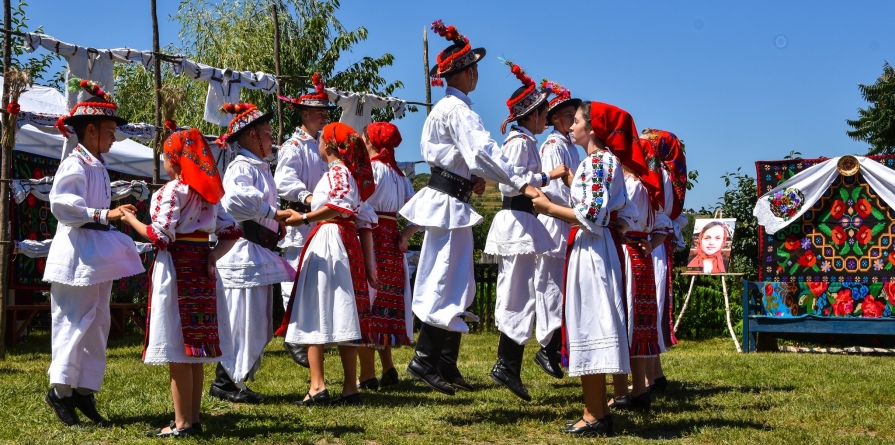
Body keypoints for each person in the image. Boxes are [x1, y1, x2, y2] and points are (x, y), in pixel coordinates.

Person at [398, 20, 542, 396]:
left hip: (449, 197)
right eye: (472, 69)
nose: (476, 74)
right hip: (448, 203)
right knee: (447, 275)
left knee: (448, 276)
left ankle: (434, 359)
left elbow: (458, 158)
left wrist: (473, 177)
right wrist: (516, 179)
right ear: (463, 73)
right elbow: (480, 150)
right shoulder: (459, 111)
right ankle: (426, 358)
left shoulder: (446, 109)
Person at [122, 129, 242, 438]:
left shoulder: (171, 192)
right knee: (195, 349)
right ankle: (194, 418)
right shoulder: (208, 193)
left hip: (177, 268)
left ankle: (182, 423)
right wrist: (213, 255)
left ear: (173, 160)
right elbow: (232, 231)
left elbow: (159, 236)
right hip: (201, 266)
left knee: (178, 349)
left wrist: (130, 220)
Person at [43, 78, 145, 426]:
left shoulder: (96, 164)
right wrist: (105, 213)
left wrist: (116, 205)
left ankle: (84, 390)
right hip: (76, 255)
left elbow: (91, 203)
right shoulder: (74, 163)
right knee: (74, 321)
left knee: (98, 321)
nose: (114, 137)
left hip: (94, 255)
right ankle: (61, 391)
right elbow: (62, 205)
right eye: (110, 131)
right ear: (90, 130)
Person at [532, 100, 637, 437]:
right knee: (587, 323)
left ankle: (596, 413)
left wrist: (548, 207)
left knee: (591, 322)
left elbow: (592, 216)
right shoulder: (600, 162)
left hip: (592, 249)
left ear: (593, 128)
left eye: (576, 121)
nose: (571, 126)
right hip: (592, 247)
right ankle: (594, 410)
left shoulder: (598, 162)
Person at [277, 122, 379, 406]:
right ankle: (348, 387)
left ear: (330, 146)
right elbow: (365, 220)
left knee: (314, 307)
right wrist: (369, 265)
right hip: (343, 242)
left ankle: (318, 385)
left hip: (331, 241)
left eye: (321, 140)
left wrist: (305, 218)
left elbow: (341, 207)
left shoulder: (338, 172)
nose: (318, 144)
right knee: (343, 312)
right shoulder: (348, 174)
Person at [484, 61, 567, 401]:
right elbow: (509, 184)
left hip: (523, 222)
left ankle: (510, 364)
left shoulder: (526, 141)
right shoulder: (520, 142)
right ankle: (506, 364)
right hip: (516, 221)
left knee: (521, 292)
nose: (546, 118)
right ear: (531, 114)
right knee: (516, 291)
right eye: (543, 112)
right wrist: (547, 178)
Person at [210, 103, 297, 404]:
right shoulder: (241, 168)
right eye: (267, 134)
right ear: (251, 136)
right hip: (243, 252)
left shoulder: (259, 168)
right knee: (241, 318)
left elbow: (258, 207)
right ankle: (226, 381)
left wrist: (275, 223)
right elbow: (236, 202)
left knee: (256, 319)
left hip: (258, 250)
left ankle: (236, 379)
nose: (272, 139)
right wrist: (275, 213)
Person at [274, 73, 334, 368]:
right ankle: (293, 337)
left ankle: (312, 335)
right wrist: (308, 197)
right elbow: (283, 180)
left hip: (321, 220)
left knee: (316, 279)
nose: (324, 117)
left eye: (326, 112)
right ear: (305, 114)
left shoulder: (326, 145)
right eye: (320, 112)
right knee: (293, 278)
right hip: (300, 218)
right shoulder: (293, 146)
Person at [356, 122, 417, 391]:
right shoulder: (399, 175)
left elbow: (357, 203)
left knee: (366, 305)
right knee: (384, 306)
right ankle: (389, 368)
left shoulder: (371, 171)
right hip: (392, 242)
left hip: (371, 239)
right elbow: (419, 213)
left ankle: (368, 374)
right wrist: (405, 236)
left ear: (371, 142)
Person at [608, 136, 665, 412]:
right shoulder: (647, 188)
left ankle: (627, 391)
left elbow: (621, 222)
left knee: (625, 320)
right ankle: (641, 390)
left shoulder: (631, 187)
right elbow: (664, 226)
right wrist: (650, 243)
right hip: (641, 258)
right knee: (639, 322)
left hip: (628, 255)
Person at [533, 79, 582, 379]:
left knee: (562, 286)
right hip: (555, 222)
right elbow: (555, 191)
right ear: (554, 118)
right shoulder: (553, 145)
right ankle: (548, 346)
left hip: (567, 221)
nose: (573, 119)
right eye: (568, 114)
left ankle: (559, 345)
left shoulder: (570, 148)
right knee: (550, 285)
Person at [641, 128, 688, 392]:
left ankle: (648, 376)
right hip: (658, 242)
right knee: (652, 307)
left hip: (651, 242)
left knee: (648, 307)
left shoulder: (658, 175)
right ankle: (655, 373)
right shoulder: (671, 176)